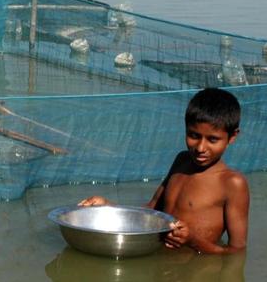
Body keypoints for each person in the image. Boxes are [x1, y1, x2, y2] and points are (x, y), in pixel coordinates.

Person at [80, 87, 249, 254]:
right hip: (159, 260)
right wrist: (108, 208)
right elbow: (152, 210)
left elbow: (237, 251)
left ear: (232, 137)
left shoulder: (232, 183)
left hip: (195, 272)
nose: (200, 147)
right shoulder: (182, 161)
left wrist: (192, 241)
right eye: (194, 135)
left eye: (212, 139)